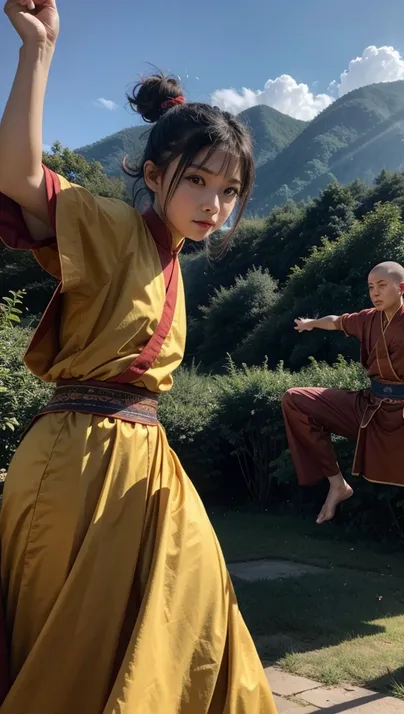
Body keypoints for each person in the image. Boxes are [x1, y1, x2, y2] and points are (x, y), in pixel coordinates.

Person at [0, 1, 277, 712]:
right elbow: (18, 175)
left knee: (198, 629)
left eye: (229, 190)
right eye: (196, 180)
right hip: (79, 460)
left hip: (143, 462)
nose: (213, 202)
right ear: (154, 174)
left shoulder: (175, 262)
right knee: (72, 656)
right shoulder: (111, 224)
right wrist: (39, 52)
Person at [282, 261, 404, 525]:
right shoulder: (367, 319)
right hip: (369, 409)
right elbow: (336, 322)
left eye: (382, 286)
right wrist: (311, 323)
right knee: (295, 399)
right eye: (371, 287)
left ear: (401, 287)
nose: (375, 292)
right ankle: (337, 485)